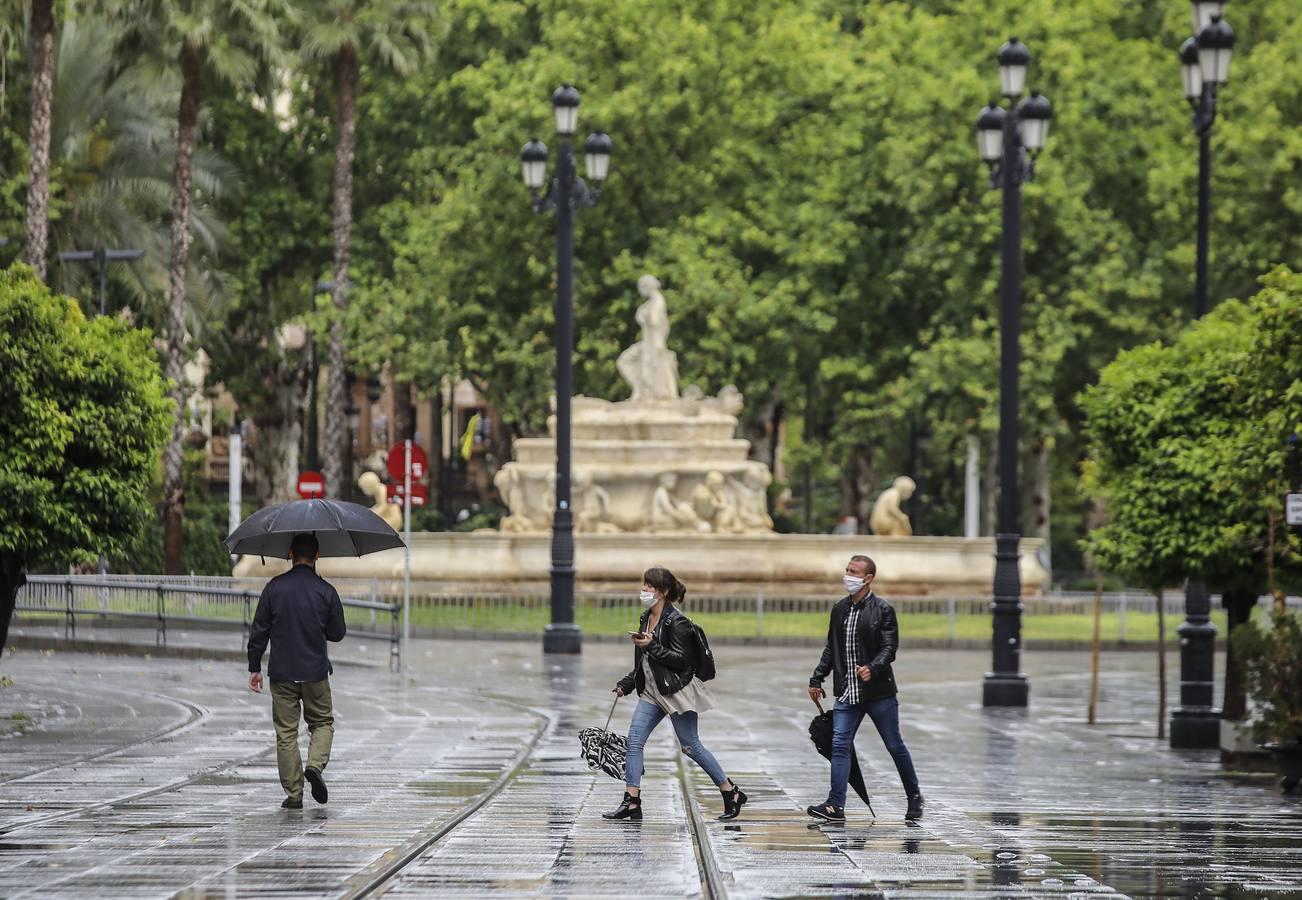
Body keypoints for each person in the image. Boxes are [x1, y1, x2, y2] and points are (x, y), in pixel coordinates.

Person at [604, 567, 745, 822]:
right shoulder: (646, 617)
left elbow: (682, 661)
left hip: (676, 691)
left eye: (649, 586)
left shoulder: (677, 622)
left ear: (664, 591)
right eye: (644, 585)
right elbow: (644, 661)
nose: (644, 590)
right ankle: (632, 801)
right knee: (634, 742)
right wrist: (627, 683)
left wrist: (652, 646)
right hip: (651, 692)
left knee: (691, 746)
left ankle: (730, 791)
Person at [807, 555, 924, 822]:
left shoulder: (883, 609)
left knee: (894, 745)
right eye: (847, 570)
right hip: (848, 693)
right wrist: (817, 679)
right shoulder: (839, 609)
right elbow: (831, 648)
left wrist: (873, 667)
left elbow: (889, 647)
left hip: (878, 693)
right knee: (840, 745)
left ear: (868, 578)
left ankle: (914, 796)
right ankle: (835, 805)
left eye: (854, 571)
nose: (848, 575)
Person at [247, 532, 347, 810]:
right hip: (315, 672)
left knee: (287, 733)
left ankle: (294, 794)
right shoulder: (326, 591)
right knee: (323, 722)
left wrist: (254, 667)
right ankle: (315, 765)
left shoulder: (274, 588)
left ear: (290, 553)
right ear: (317, 555)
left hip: (282, 673)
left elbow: (259, 631)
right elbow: (338, 633)